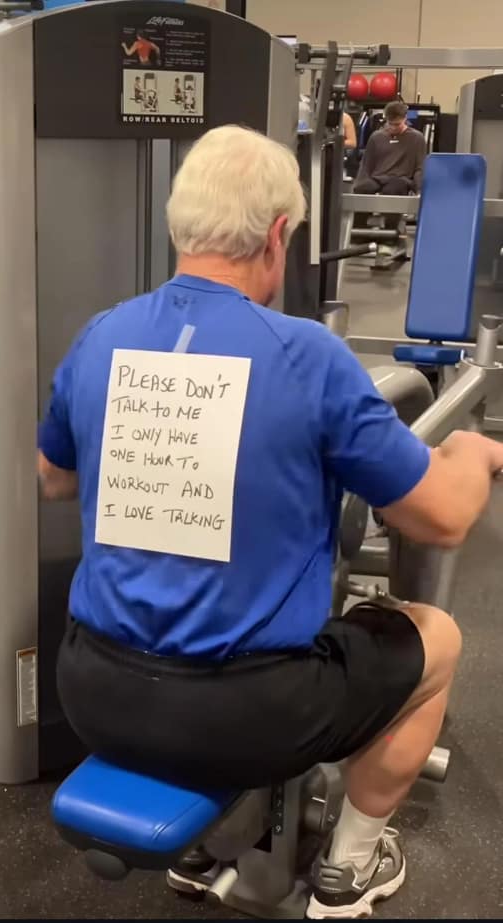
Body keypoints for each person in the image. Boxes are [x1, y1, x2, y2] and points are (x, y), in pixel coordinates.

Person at [38, 125, 503, 919]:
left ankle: (211, 845)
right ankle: (351, 865)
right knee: (437, 639)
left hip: (93, 690)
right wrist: (470, 451)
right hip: (247, 716)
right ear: (278, 233)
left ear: (180, 227)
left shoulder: (102, 336)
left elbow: (54, 478)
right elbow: (445, 518)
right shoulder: (308, 357)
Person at [354, 100, 426, 235]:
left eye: (397, 124)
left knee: (393, 188)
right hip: (378, 177)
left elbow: (420, 167)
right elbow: (366, 165)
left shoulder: (416, 138)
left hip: (400, 179)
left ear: (405, 119)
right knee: (361, 188)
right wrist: (360, 182)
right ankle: (359, 232)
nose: (393, 127)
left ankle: (390, 232)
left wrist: (419, 189)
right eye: (390, 124)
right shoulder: (376, 137)